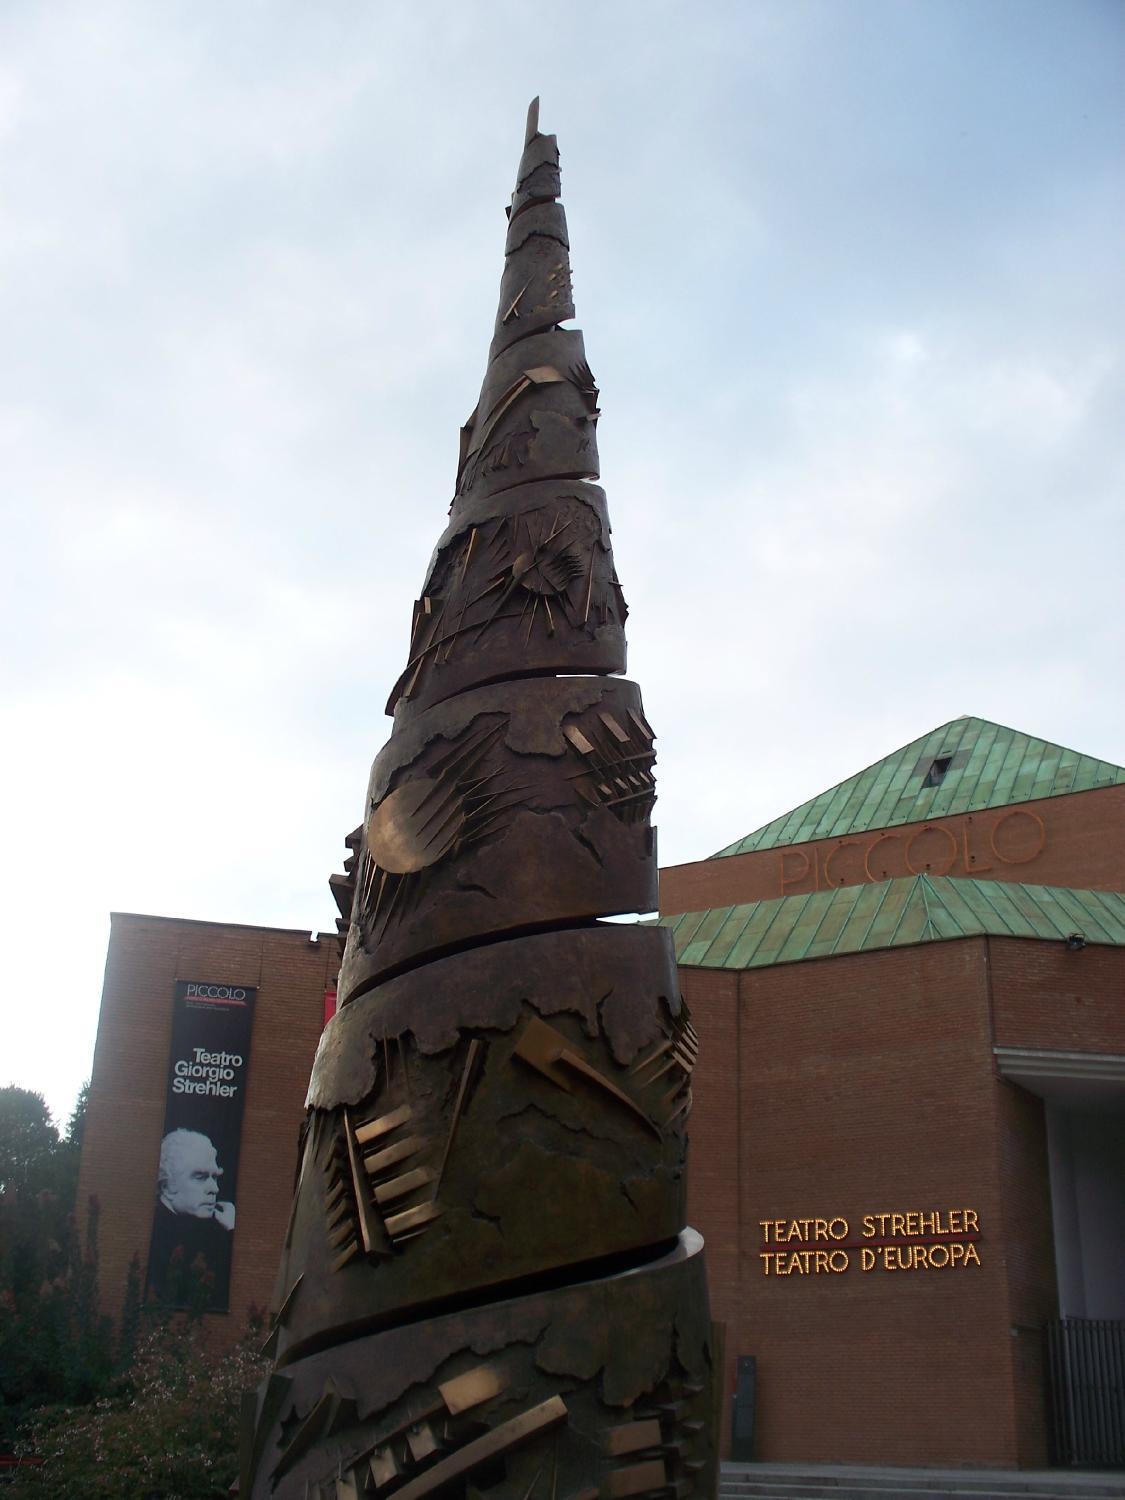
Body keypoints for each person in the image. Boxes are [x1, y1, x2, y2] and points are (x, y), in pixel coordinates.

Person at [146, 1129, 235, 1307]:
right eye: (200, 1177)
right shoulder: (154, 1238)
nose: (214, 1189)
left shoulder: (214, 1228)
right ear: (166, 1185)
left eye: (215, 1177)